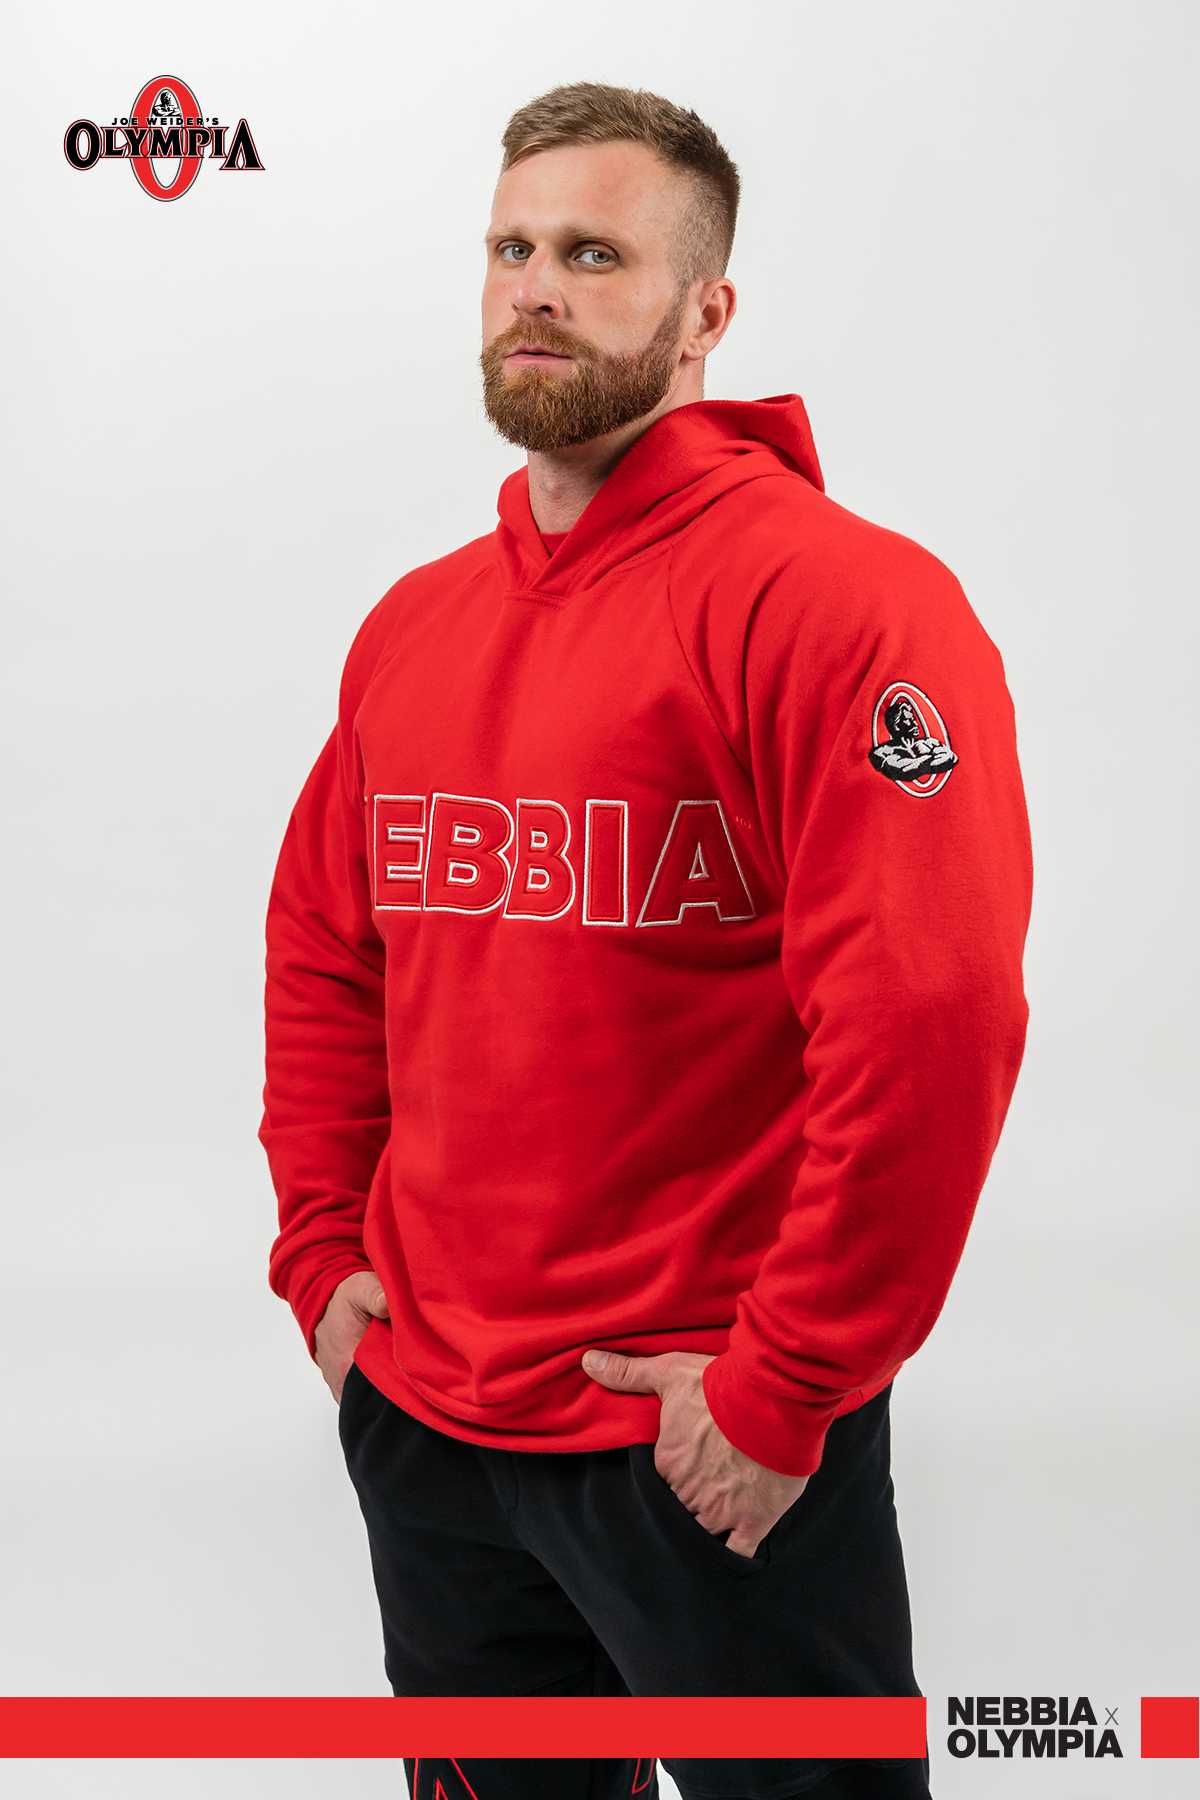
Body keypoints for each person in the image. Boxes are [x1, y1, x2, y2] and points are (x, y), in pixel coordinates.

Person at [258, 78, 1033, 1800]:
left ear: (706, 312)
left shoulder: (840, 604)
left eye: (595, 255)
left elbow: (931, 1018)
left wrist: (787, 1387)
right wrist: (322, 1255)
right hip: (430, 1427)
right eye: (512, 249)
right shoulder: (416, 625)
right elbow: (325, 949)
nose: (537, 287)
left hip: (697, 1437)